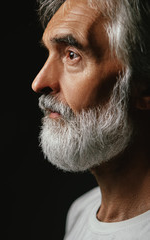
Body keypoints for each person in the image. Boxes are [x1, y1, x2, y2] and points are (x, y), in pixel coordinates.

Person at [31, 0, 150, 239]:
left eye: (72, 55)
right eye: (49, 53)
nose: (39, 83)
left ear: (144, 86)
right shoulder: (81, 211)